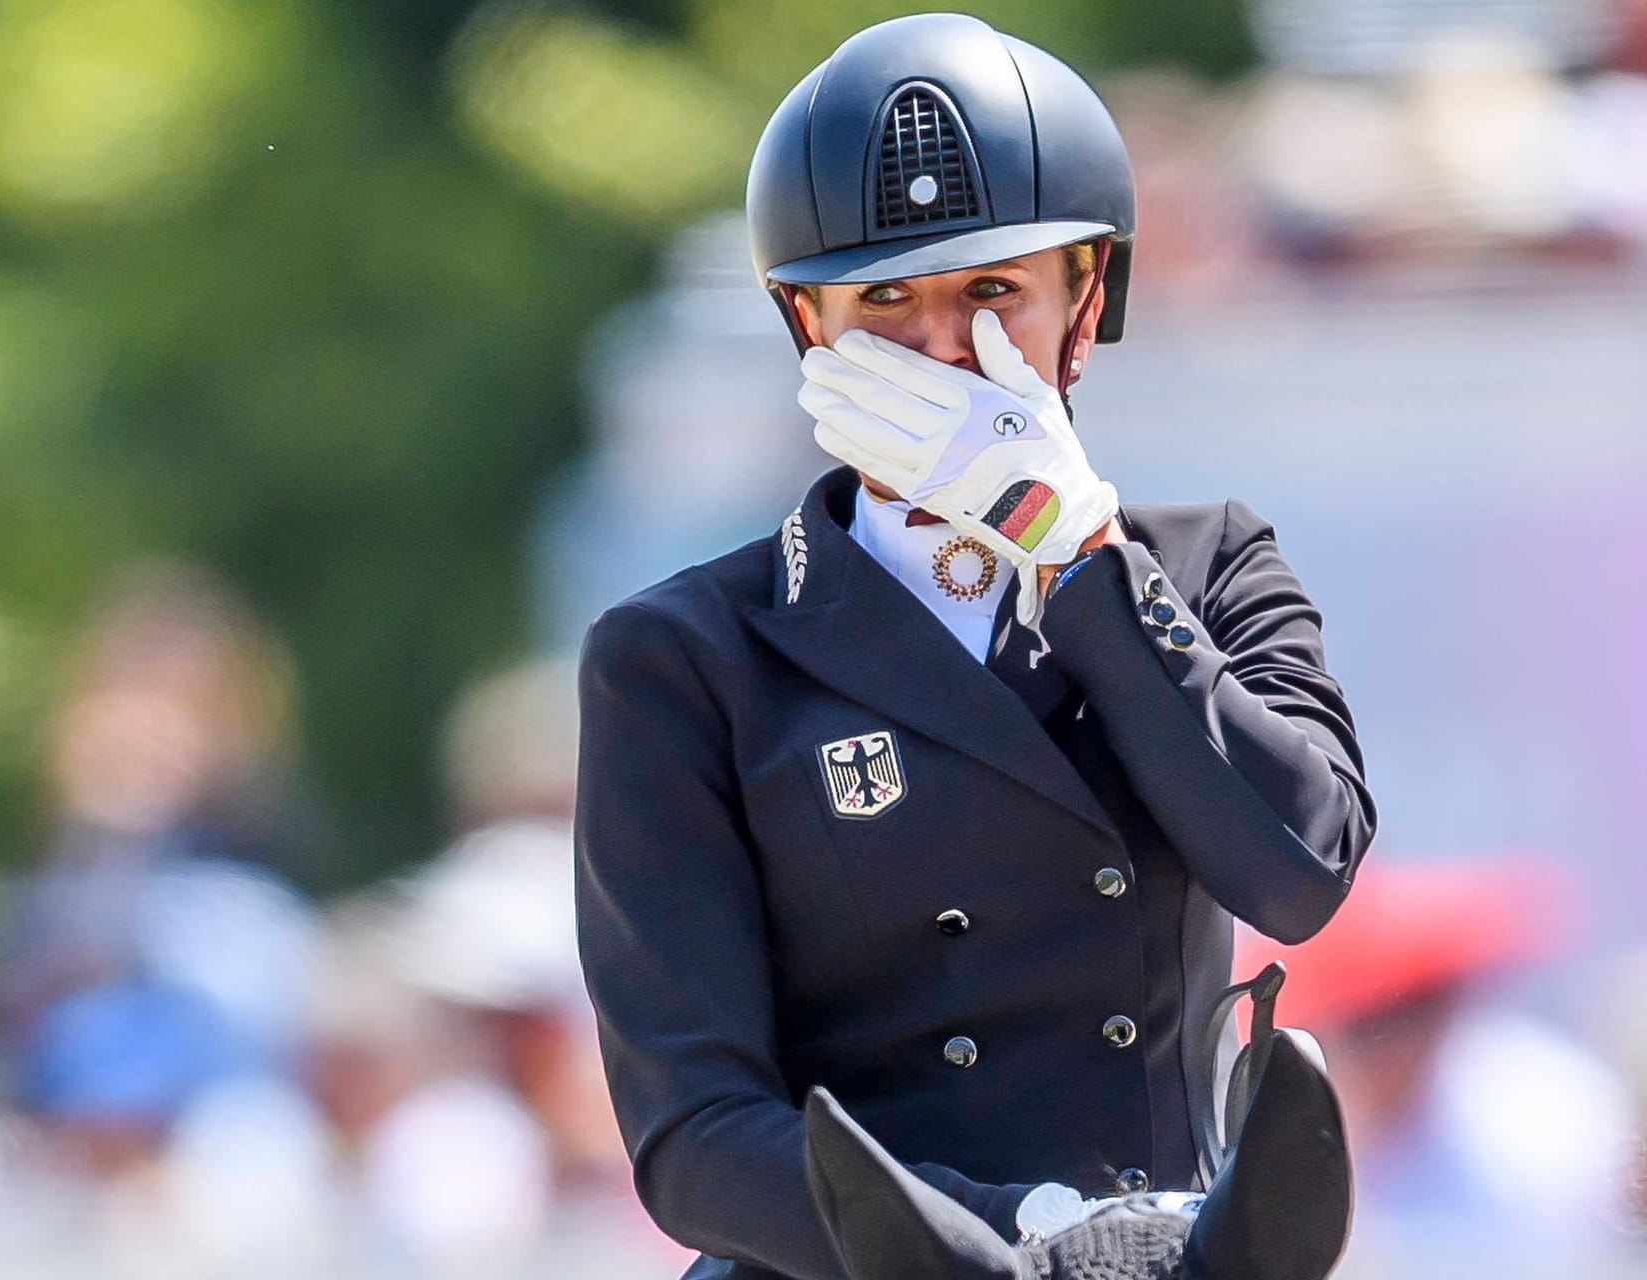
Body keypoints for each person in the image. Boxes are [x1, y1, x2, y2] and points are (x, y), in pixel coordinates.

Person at [573, 15, 1379, 1280]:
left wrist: (1078, 556)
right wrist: (1025, 1233)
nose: (945, 345)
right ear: (808, 320)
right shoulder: (683, 656)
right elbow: (695, 1129)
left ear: (1085, 300)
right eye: (884, 298)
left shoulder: (1207, 561)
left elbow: (1297, 870)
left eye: (993, 291)